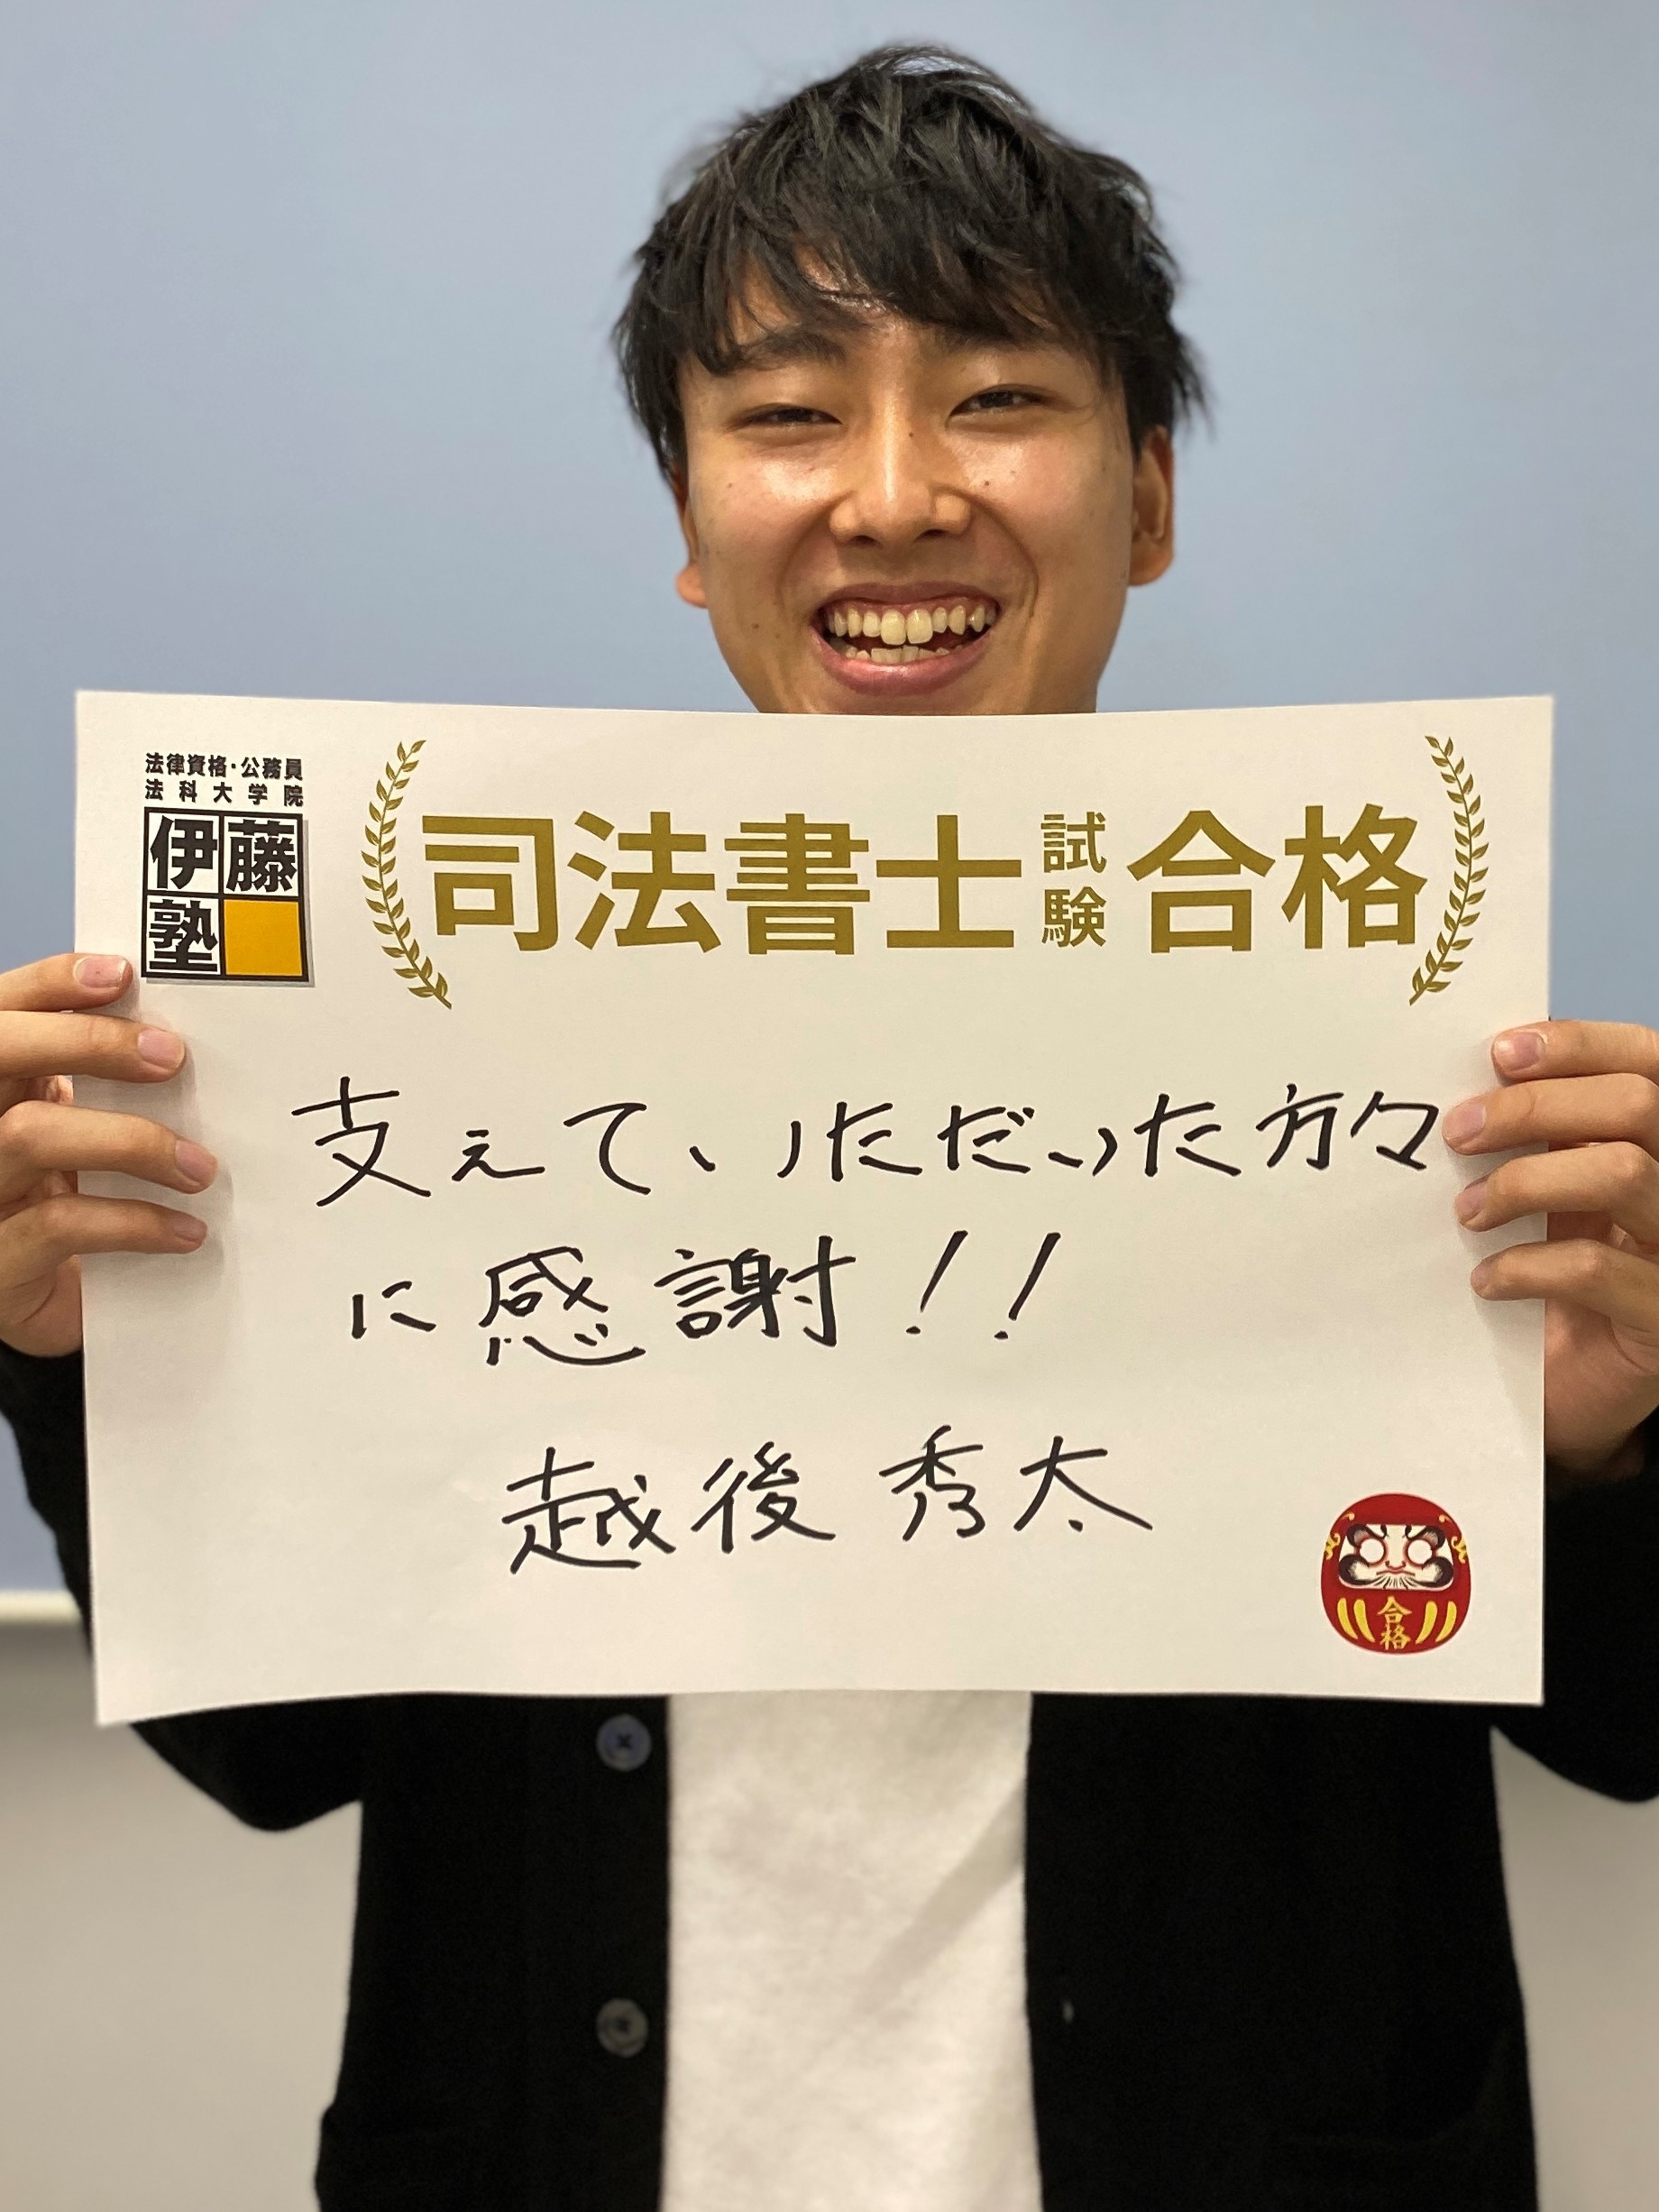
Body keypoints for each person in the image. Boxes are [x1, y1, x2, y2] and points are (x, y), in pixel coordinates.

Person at [3, 44, 1657, 2212]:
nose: (889, 498)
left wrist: (1594, 1456)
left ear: (1149, 497)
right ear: (690, 525)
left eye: (996, 396)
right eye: (785, 416)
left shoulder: (1395, 1059)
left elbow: (1622, 1731)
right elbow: (273, 1753)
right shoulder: (441, 1046)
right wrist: (77, 1349)